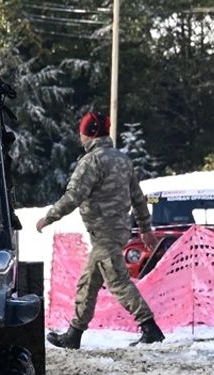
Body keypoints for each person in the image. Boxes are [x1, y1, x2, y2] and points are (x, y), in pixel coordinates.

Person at [37, 111, 163, 349]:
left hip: (104, 235)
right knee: (89, 282)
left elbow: (74, 195)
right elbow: (138, 197)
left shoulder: (92, 161)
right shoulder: (122, 160)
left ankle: (150, 327)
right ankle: (74, 334)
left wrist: (49, 217)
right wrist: (145, 228)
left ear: (91, 134)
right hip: (117, 231)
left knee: (118, 282)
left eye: (82, 132)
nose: (80, 137)